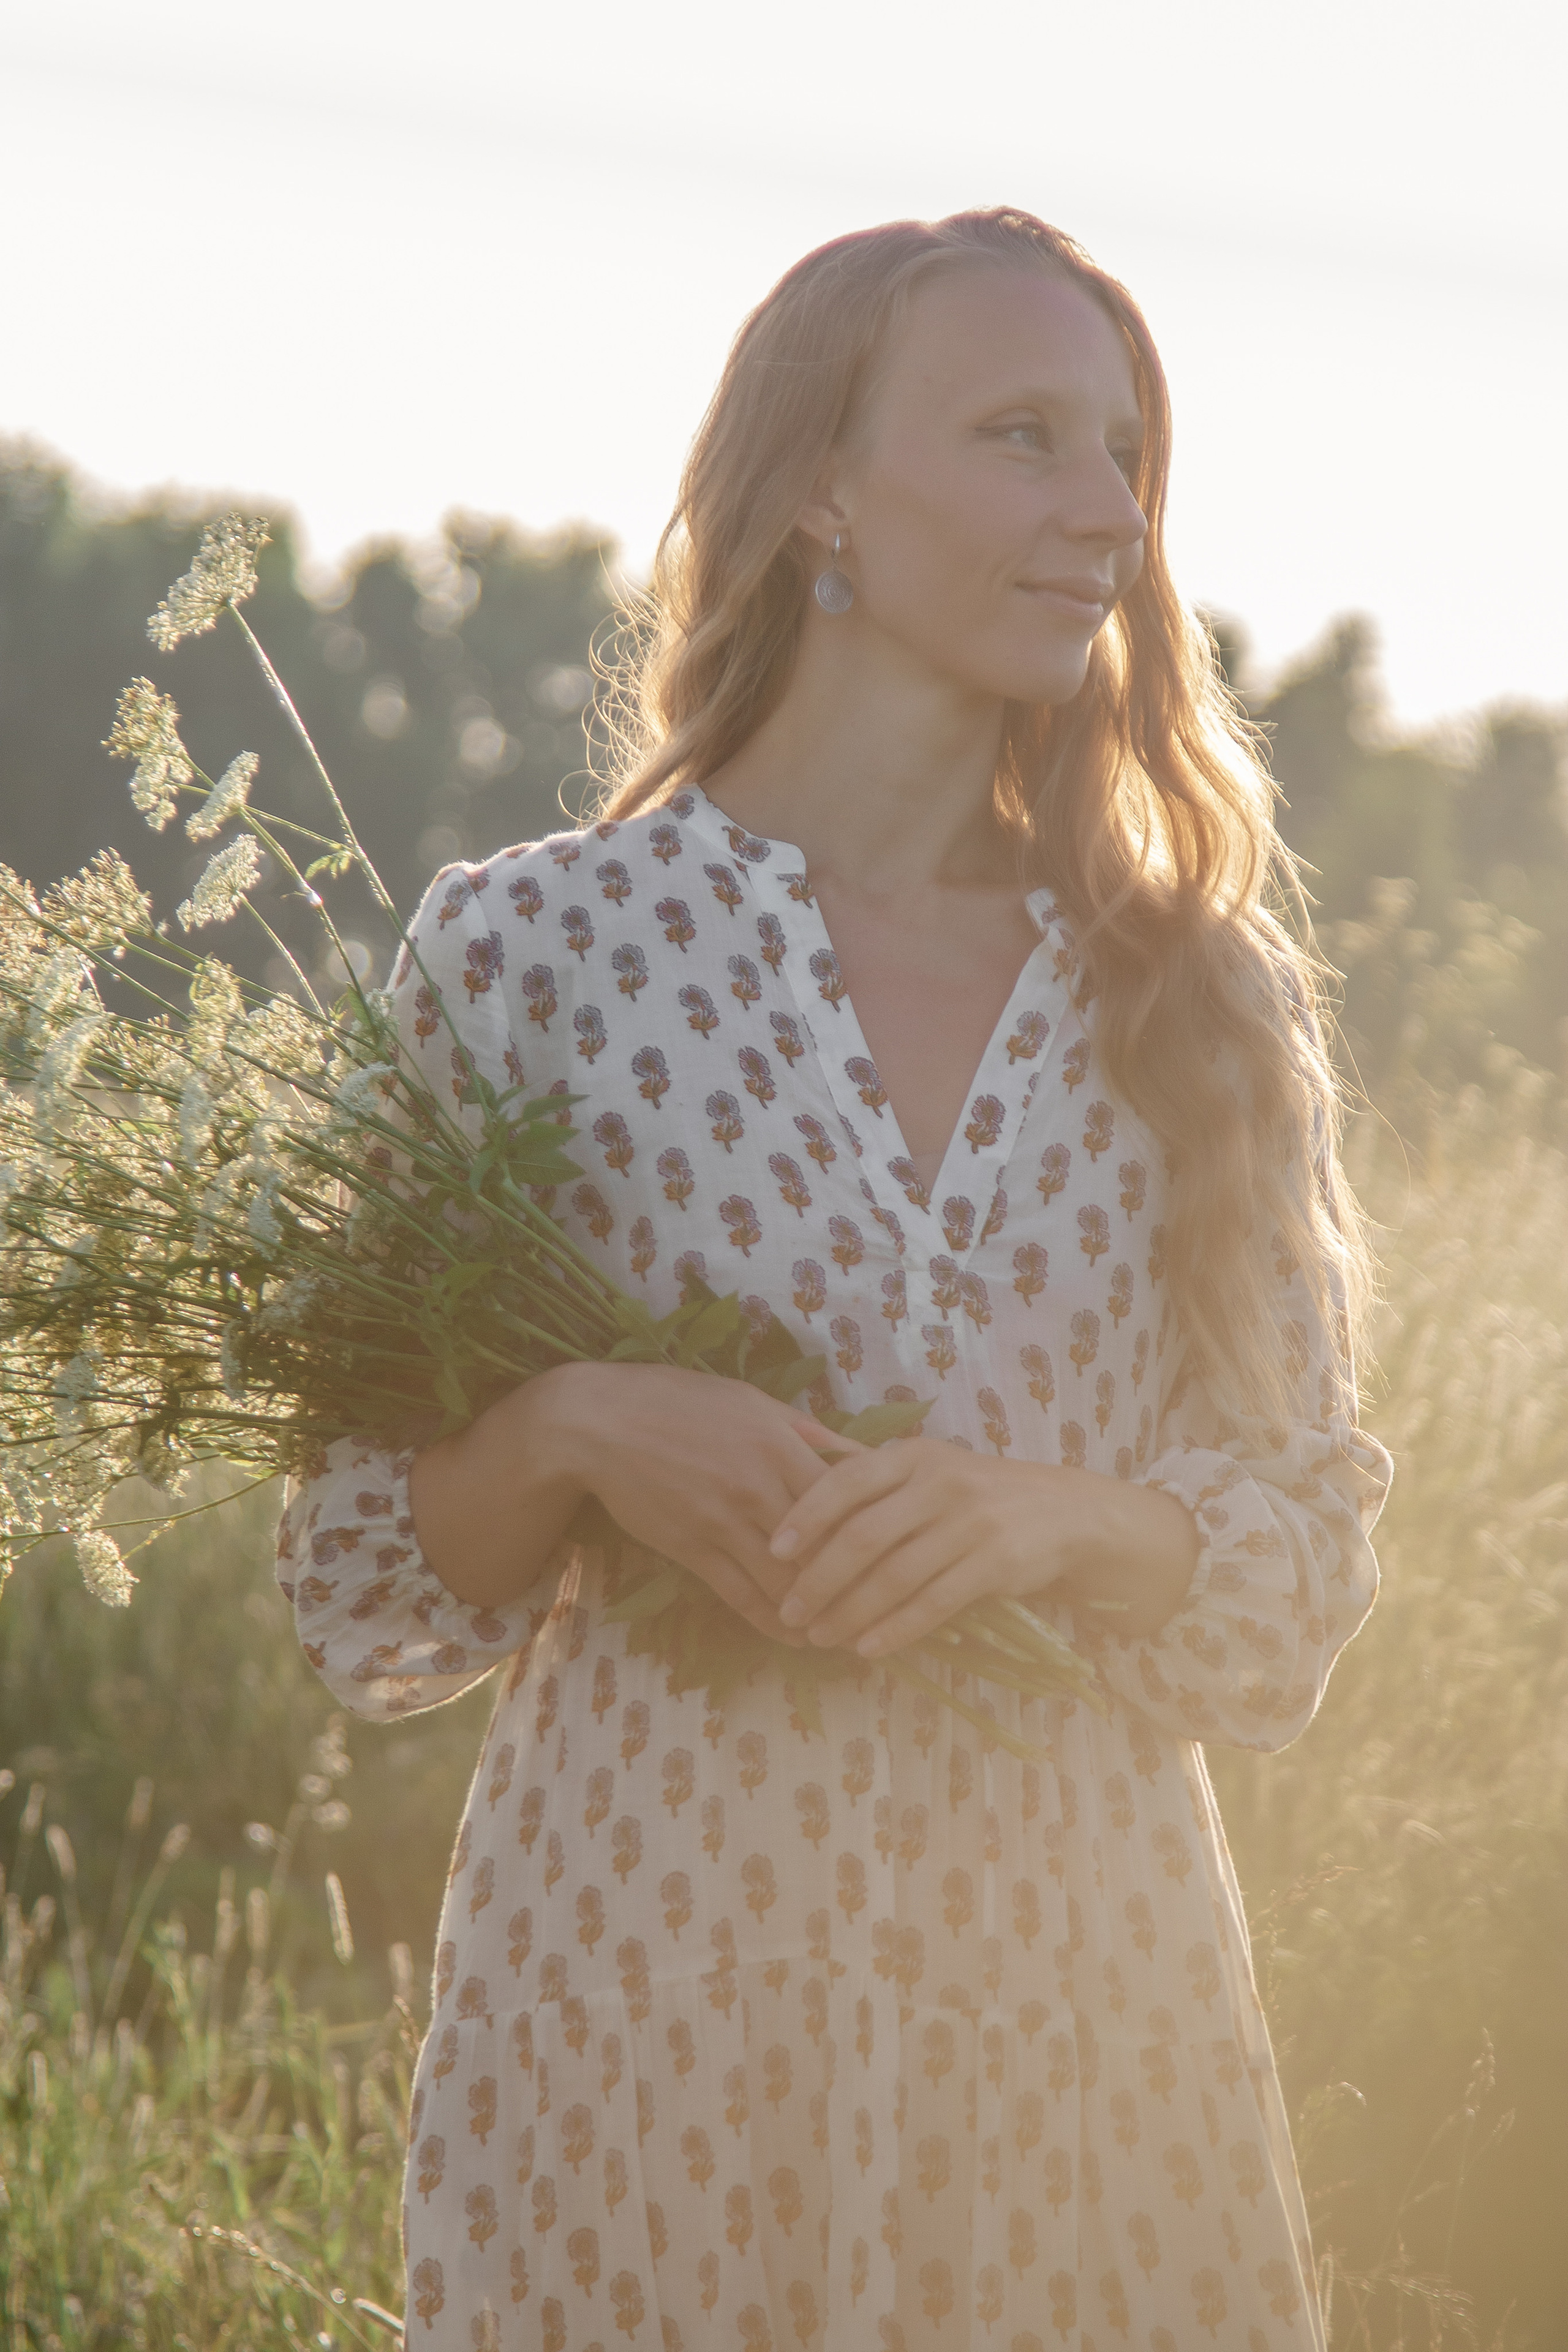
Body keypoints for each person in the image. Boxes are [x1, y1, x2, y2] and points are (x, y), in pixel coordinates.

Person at [276, 206, 1393, 2350]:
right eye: (1023, 438)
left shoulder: (1196, 991)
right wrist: (581, 1428)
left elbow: (1305, 1561)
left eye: (1126, 453)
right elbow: (357, 1571)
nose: (1107, 513)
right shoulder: (527, 956)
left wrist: (1060, 1516)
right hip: (644, 1995)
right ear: (818, 497)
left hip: (1084, 2010)